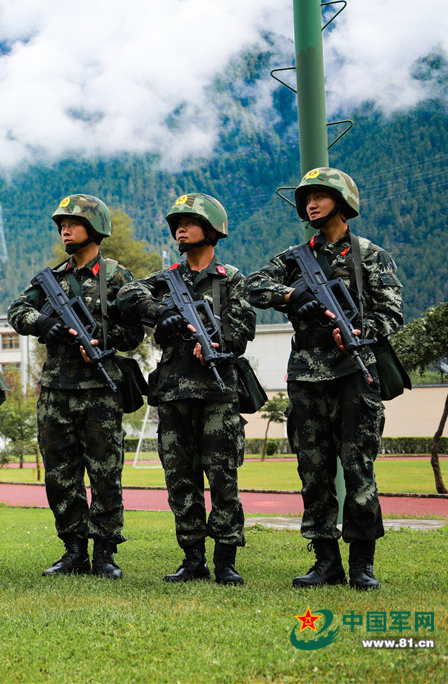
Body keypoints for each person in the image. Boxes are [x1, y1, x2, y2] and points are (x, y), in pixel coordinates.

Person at [246, 167, 403, 590]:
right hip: (305, 379)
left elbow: (392, 313)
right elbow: (253, 286)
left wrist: (359, 331)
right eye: (307, 199)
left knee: (358, 470)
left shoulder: (370, 255)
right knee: (313, 473)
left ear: (342, 201)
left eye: (320, 196)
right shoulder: (295, 258)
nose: (312, 204)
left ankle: (362, 565)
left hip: (354, 374)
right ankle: (325, 563)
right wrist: (292, 294)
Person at [118, 193, 255, 585]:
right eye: (177, 223)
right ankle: (193, 558)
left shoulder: (231, 279)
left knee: (223, 478)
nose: (180, 228)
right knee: (180, 480)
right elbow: (126, 294)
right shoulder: (166, 280)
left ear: (211, 230)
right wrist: (161, 314)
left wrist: (218, 340)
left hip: (217, 393)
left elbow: (243, 329)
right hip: (173, 392)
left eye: (189, 222)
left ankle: (226, 560)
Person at [8, 194, 144, 578]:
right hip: (56, 390)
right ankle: (73, 550)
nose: (65, 230)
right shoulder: (50, 279)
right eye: (62, 226)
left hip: (100, 388)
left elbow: (135, 330)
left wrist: (105, 339)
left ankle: (104, 552)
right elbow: (18, 311)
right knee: (60, 474)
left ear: (95, 228)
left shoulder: (116, 276)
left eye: (73, 224)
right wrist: (43, 324)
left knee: (105, 472)